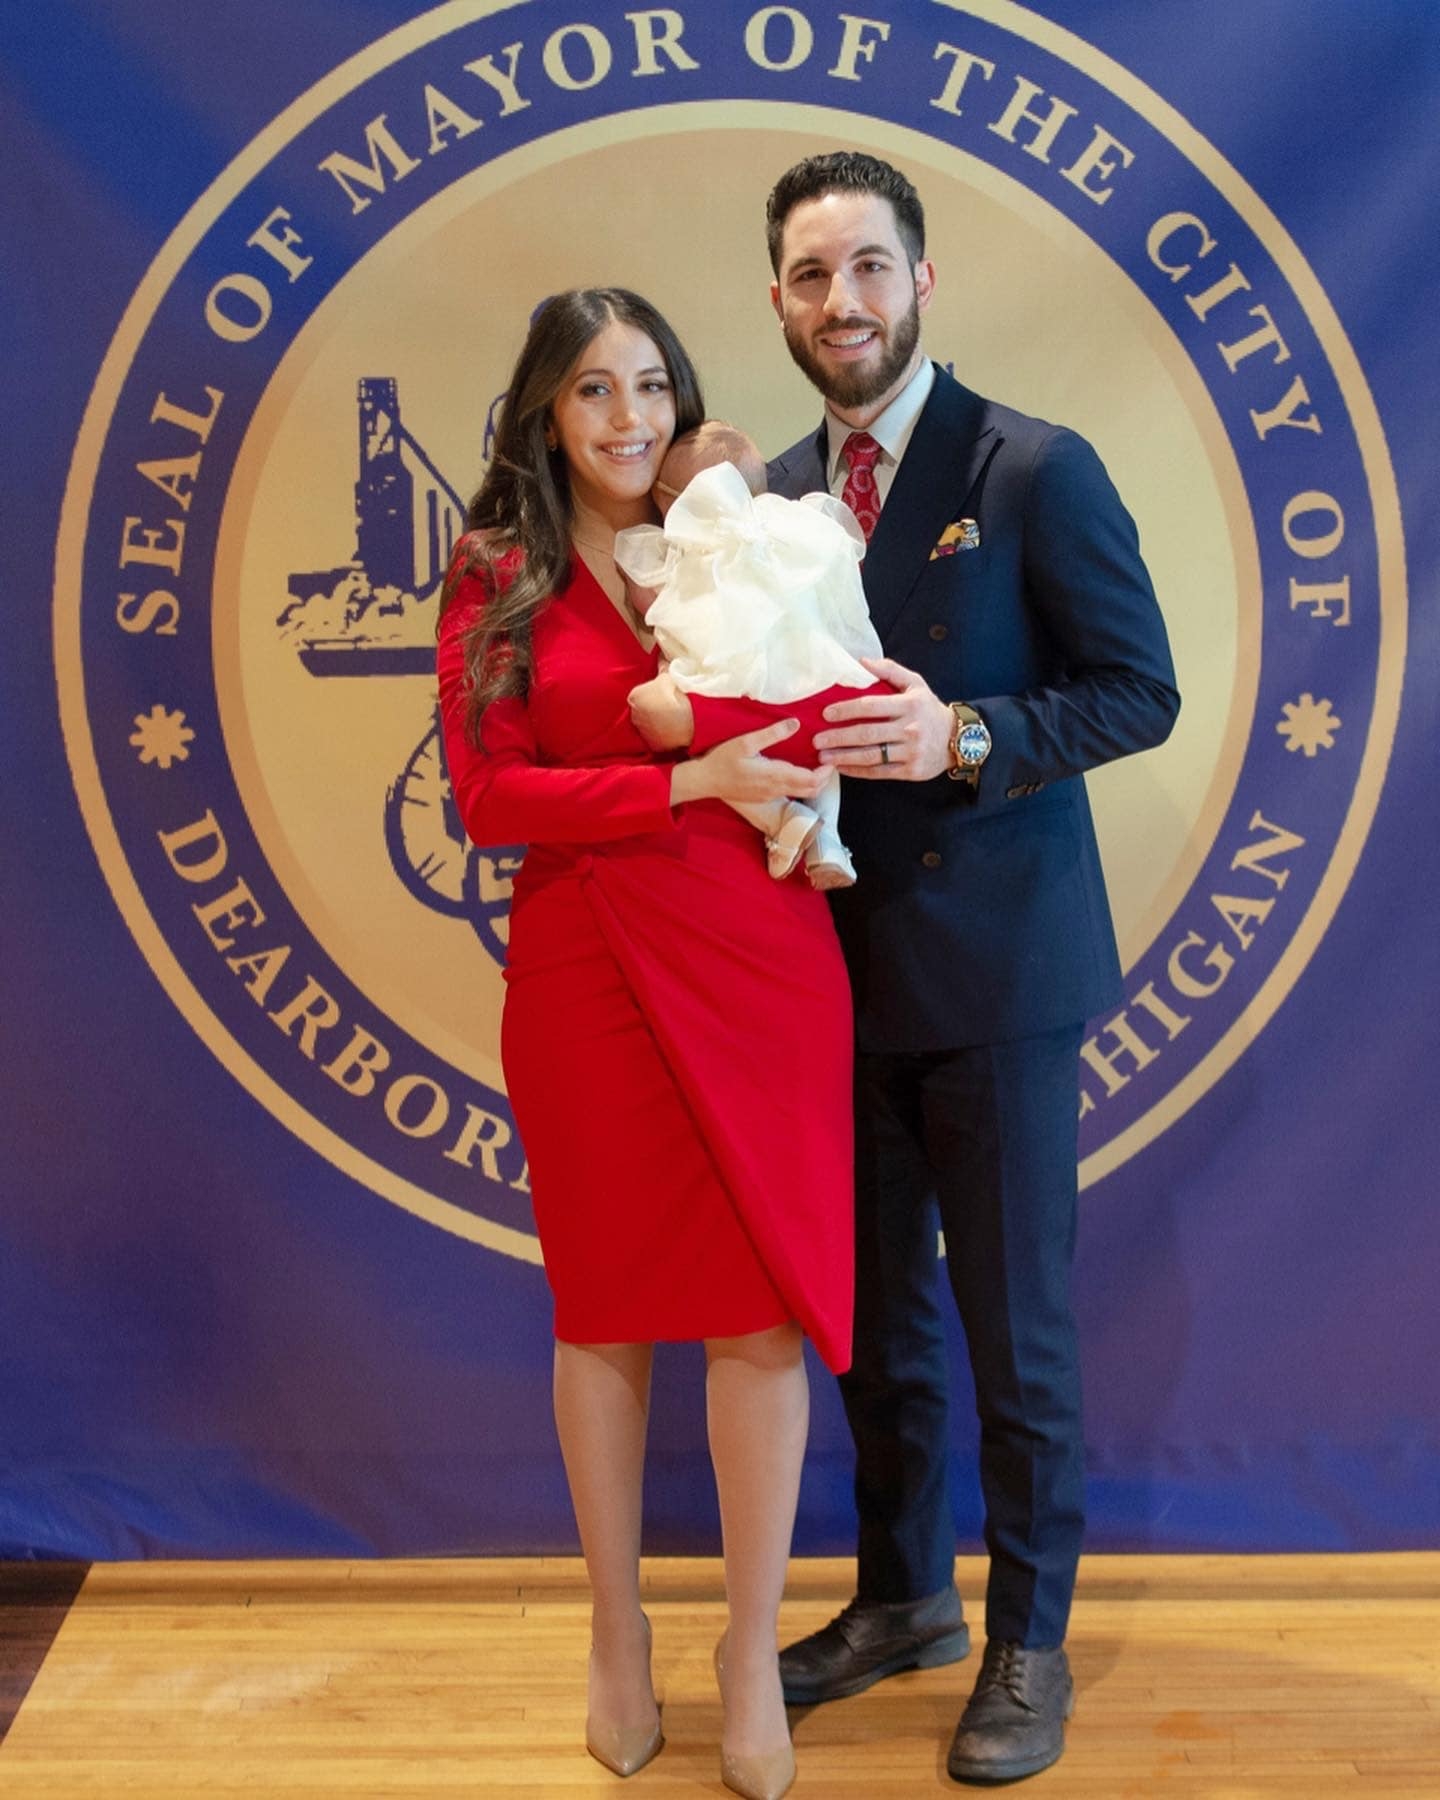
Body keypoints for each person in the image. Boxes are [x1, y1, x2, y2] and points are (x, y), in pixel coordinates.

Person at [636, 154, 1181, 1784]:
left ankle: (1026, 1639)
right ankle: (900, 1600)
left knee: (1016, 1334)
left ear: (921, 282)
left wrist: (968, 735)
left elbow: (1136, 690)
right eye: (809, 277)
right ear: (782, 302)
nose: (841, 303)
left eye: (868, 268)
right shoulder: (769, 497)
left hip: (1001, 979)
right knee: (874, 1323)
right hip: (827, 978)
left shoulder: (1032, 466)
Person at [436, 287, 856, 1800]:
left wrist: (793, 757)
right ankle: (618, 1633)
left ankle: (752, 1652)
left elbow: (824, 698)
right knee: (603, 1309)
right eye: (596, 392)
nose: (629, 419)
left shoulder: (743, 530)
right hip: (585, 970)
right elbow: (488, 801)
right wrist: (677, 784)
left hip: (764, 956)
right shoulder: (496, 568)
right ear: (546, 411)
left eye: (652, 387)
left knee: (756, 1309)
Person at [619, 419, 886, 888]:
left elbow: (649, 604)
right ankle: (829, 840)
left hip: (726, 687)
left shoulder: (688, 545)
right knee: (825, 761)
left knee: (720, 761)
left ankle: (781, 819)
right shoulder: (793, 527)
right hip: (806, 678)